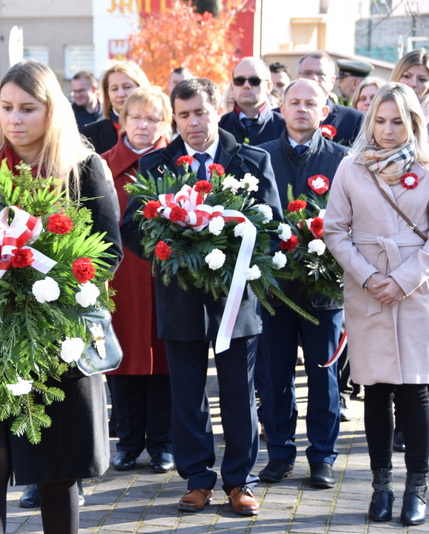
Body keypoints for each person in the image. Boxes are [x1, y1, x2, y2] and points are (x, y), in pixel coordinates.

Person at [0, 59, 122, 534]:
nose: (14, 119)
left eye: (28, 108)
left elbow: (109, 254)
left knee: (55, 471)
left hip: (56, 337)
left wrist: (44, 280)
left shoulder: (84, 171)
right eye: (6, 108)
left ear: (53, 111)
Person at [121, 77, 283, 516]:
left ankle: (240, 481)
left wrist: (232, 252)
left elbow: (270, 227)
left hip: (236, 300)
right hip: (180, 297)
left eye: (201, 112)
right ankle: (197, 478)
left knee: (238, 391)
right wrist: (174, 251)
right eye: (184, 114)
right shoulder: (157, 165)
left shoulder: (251, 158)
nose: (193, 122)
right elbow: (132, 228)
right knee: (187, 393)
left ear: (219, 109)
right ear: (174, 117)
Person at [324, 82, 429, 526]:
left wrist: (403, 280)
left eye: (397, 122)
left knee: (416, 390)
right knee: (377, 389)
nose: (387, 130)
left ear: (413, 124)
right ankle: (381, 486)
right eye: (380, 121)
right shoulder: (351, 167)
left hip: (418, 290)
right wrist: (369, 277)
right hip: (366, 288)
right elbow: (334, 230)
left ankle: (417, 488)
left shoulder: (427, 167)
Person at [257, 79, 348, 488]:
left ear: (325, 110)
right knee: (274, 374)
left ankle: (323, 456)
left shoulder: (344, 161)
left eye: (311, 103)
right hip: (275, 290)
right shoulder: (261, 158)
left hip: (324, 291)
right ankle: (279, 452)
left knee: (323, 376)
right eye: (294, 101)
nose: (301, 109)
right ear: (281, 107)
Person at [100, 87, 174, 474]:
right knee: (123, 359)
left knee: (165, 359)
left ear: (166, 123)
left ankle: (162, 443)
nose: (143, 126)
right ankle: (127, 443)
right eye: (136, 117)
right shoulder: (101, 165)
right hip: (120, 278)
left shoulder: (177, 164)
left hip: (166, 278)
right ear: (122, 120)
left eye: (153, 118)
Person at [296, 51, 365, 146]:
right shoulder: (277, 118)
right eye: (307, 73)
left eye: (320, 74)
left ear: (332, 81)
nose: (314, 78)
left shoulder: (354, 120)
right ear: (297, 78)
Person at [83, 61, 150, 154]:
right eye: (114, 89)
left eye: (127, 87)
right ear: (107, 94)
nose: (120, 94)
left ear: (141, 88)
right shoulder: (90, 133)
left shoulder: (158, 125)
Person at [219, 57, 285, 146]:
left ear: (269, 87)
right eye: (239, 81)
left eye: (254, 81)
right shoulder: (218, 127)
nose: (246, 86)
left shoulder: (285, 126)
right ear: (232, 87)